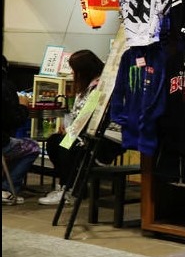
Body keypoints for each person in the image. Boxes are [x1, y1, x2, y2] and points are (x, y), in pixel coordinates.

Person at [39, 50, 121, 205]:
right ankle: (70, 186)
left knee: (65, 146)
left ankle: (69, 189)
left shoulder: (99, 88)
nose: (72, 74)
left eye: (74, 71)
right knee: (54, 141)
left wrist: (71, 130)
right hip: (82, 133)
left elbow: (88, 116)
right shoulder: (87, 87)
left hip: (101, 140)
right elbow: (78, 114)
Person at [2, 56, 39, 205]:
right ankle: (6, 189)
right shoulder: (6, 86)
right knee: (32, 147)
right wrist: (23, 106)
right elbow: (14, 120)